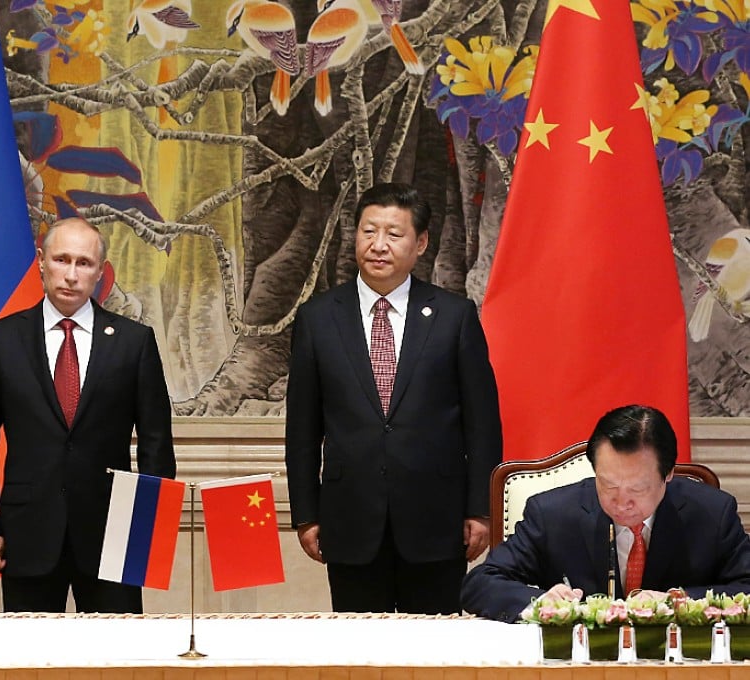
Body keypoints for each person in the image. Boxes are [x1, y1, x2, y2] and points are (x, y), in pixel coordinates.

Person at [285, 182, 503, 613]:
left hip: (437, 522)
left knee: (435, 657)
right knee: (359, 655)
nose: (378, 245)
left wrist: (481, 509)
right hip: (350, 521)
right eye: (368, 232)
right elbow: (303, 430)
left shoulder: (453, 316)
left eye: (394, 234)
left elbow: (482, 425)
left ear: (420, 243)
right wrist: (306, 514)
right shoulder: (318, 318)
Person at [0, 217, 176, 613]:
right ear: (41, 262)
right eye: (62, 260)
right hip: (26, 534)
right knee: (31, 667)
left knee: (119, 664)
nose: (72, 275)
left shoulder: (134, 343)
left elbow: (156, 448)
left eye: (84, 263)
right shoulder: (1, 340)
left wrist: (147, 533)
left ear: (100, 271)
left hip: (114, 537)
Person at [461, 404, 750, 622]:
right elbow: (481, 583)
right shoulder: (552, 514)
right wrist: (541, 601)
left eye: (637, 489)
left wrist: (682, 601)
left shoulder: (712, 513)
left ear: (669, 474)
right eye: (609, 484)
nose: (621, 501)